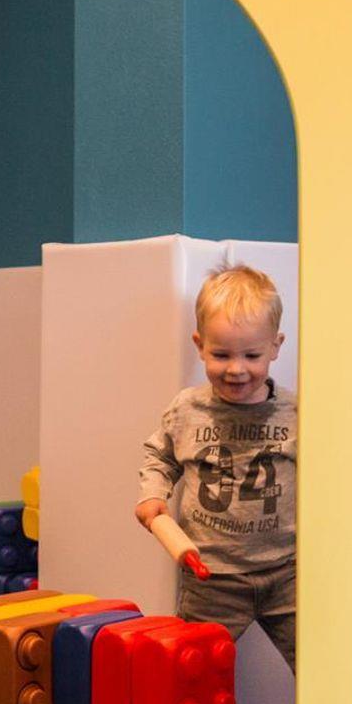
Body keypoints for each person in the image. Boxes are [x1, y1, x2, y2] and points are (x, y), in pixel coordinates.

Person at [135, 264, 296, 670]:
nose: (236, 369)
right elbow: (160, 456)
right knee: (191, 670)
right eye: (221, 354)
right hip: (211, 576)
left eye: (252, 355)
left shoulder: (297, 413)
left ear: (275, 346)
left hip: (287, 572)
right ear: (200, 345)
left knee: (321, 666)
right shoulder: (188, 410)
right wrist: (152, 496)